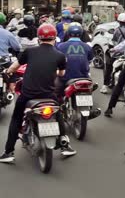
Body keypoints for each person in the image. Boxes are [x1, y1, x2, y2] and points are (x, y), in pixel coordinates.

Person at [0, 24, 76, 163]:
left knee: (16, 118)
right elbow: (62, 73)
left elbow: (15, 66)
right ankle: (65, 144)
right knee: (58, 112)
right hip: (48, 95)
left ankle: (8, 152)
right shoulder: (59, 55)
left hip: (28, 94)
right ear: (54, 38)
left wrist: (8, 72)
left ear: (39, 38)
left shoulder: (29, 52)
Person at [55, 23, 99, 118]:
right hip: (84, 77)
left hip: (65, 78)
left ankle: (57, 112)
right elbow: (90, 60)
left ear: (68, 34)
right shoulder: (87, 47)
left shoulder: (61, 46)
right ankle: (89, 109)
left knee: (55, 93)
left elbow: (56, 61)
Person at [100, 13, 125, 94]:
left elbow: (114, 41)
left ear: (119, 21)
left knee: (108, 67)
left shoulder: (117, 30)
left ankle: (105, 86)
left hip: (118, 54)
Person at [0, 13, 22, 93]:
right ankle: (12, 89)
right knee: (14, 70)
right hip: (3, 60)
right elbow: (17, 47)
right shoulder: (8, 33)